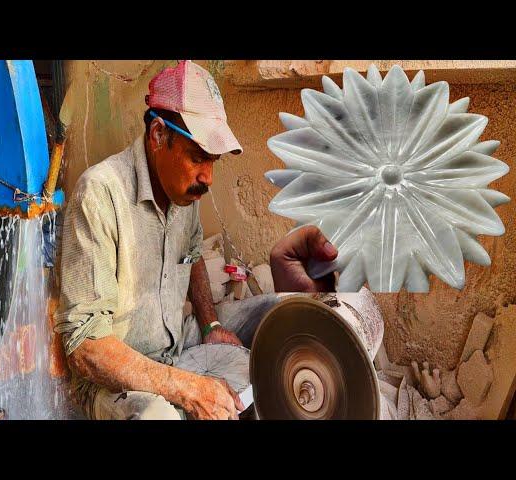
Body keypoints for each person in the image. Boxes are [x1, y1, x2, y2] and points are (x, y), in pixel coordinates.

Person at [55, 60, 338, 420]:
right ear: (158, 135)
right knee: (159, 416)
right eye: (198, 157)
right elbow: (86, 349)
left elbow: (193, 256)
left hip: (177, 342)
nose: (208, 177)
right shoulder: (100, 194)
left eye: (214, 160)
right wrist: (186, 387)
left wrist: (211, 324)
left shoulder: (183, 192)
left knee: (284, 311)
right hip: (114, 378)